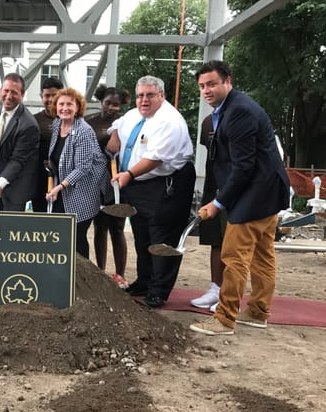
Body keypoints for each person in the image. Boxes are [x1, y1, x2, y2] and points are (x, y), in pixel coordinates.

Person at [190, 60, 290, 336]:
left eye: (212, 84)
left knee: (234, 255)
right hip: (266, 191)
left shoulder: (239, 112)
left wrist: (218, 203)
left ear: (227, 82)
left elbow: (243, 166)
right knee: (262, 255)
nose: (206, 90)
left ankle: (224, 318)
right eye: (202, 86)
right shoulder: (230, 109)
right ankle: (258, 312)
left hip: (257, 193)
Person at [107, 75, 196, 308]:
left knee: (162, 238)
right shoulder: (134, 115)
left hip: (165, 184)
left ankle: (159, 291)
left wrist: (128, 174)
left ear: (161, 96)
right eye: (139, 95)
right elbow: (117, 124)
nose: (143, 100)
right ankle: (144, 281)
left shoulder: (170, 120)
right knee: (141, 235)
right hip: (137, 185)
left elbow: (155, 159)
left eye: (149, 95)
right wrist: (115, 134)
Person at [44, 87, 108, 258]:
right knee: (61, 236)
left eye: (69, 104)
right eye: (61, 104)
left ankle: (82, 279)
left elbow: (83, 167)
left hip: (84, 191)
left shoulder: (83, 131)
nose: (65, 108)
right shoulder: (58, 124)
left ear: (78, 107)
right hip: (63, 190)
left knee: (77, 238)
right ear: (55, 107)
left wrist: (59, 187)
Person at [86, 84, 131, 289]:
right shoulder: (89, 123)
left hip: (119, 182)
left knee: (117, 229)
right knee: (99, 227)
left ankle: (120, 274)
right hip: (96, 181)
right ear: (100, 102)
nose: (112, 108)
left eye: (116, 104)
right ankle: (101, 272)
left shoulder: (126, 123)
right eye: (108, 103)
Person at [0, 73, 39, 211]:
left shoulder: (28, 125)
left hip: (16, 187)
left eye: (14, 92)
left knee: (10, 229)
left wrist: (0, 184)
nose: (9, 96)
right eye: (6, 91)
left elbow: (18, 160)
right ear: (1, 91)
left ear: (22, 95)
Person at [189, 112, 226, 312]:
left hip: (233, 189)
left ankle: (228, 295)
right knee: (215, 241)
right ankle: (215, 289)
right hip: (213, 186)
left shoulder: (240, 118)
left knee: (232, 244)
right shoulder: (207, 122)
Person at [32, 76, 64, 212]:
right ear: (41, 96)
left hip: (64, 180)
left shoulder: (70, 119)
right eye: (47, 96)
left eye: (54, 95)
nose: (50, 100)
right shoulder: (34, 120)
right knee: (40, 219)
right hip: (39, 180)